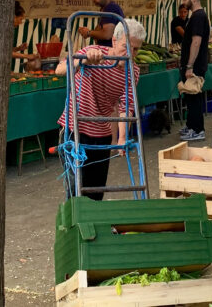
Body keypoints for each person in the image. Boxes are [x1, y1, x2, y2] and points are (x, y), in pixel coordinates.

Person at [56, 18, 145, 200]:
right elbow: (60, 70)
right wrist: (82, 62)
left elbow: (125, 106)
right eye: (126, 46)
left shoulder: (133, 70)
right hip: (76, 129)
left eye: (135, 49)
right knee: (77, 191)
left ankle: (93, 226)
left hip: (102, 133)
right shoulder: (92, 52)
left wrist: (121, 138)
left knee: (96, 191)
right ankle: (76, 226)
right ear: (114, 40)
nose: (130, 53)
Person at [179, 0, 210, 142]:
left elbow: (196, 42)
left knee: (194, 96)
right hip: (193, 64)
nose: (183, 3)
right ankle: (191, 126)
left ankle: (198, 130)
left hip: (195, 65)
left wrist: (190, 65)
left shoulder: (198, 16)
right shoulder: (196, 16)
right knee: (190, 96)